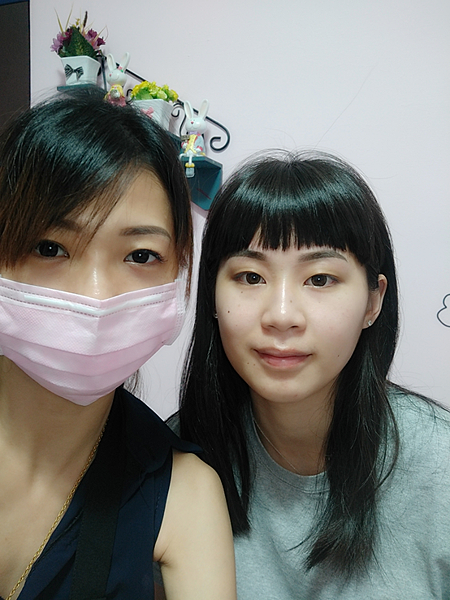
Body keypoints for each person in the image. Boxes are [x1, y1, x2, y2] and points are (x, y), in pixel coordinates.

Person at [161, 151, 450, 598]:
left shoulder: (439, 465)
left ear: (373, 301)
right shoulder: (171, 464)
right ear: (212, 296)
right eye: (250, 277)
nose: (281, 315)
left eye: (319, 279)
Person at [0, 88, 236, 600]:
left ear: (181, 271)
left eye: (141, 255)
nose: (96, 297)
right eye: (50, 247)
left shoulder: (185, 494)